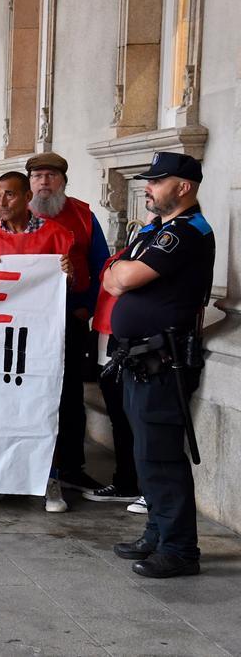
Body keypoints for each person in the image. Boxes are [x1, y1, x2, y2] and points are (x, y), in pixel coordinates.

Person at [107, 152, 214, 579]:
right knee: (145, 453)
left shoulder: (186, 233)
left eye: (156, 181)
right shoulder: (154, 230)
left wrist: (120, 273)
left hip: (163, 360)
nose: (147, 188)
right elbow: (111, 275)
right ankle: (157, 533)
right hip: (140, 359)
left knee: (162, 457)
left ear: (183, 187)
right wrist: (119, 272)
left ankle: (180, 548)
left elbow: (125, 279)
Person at [0, 170, 73, 512]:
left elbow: (73, 284)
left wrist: (69, 275)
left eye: (10, 194)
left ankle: (49, 479)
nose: (2, 201)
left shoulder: (57, 234)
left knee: (41, 404)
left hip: (40, 337)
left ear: (28, 198)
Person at [26, 153, 111, 495]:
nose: (44, 182)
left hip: (68, 320)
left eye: (50, 176)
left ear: (63, 181)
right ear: (29, 182)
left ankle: (71, 467)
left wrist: (85, 308)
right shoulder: (18, 216)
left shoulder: (84, 216)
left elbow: (103, 266)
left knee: (70, 395)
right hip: (24, 324)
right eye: (37, 176)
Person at [84, 247, 142, 510]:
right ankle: (125, 481)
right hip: (106, 337)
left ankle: (133, 483)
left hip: (123, 341)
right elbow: (109, 279)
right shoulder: (137, 242)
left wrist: (113, 272)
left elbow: (118, 282)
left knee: (129, 419)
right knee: (118, 418)